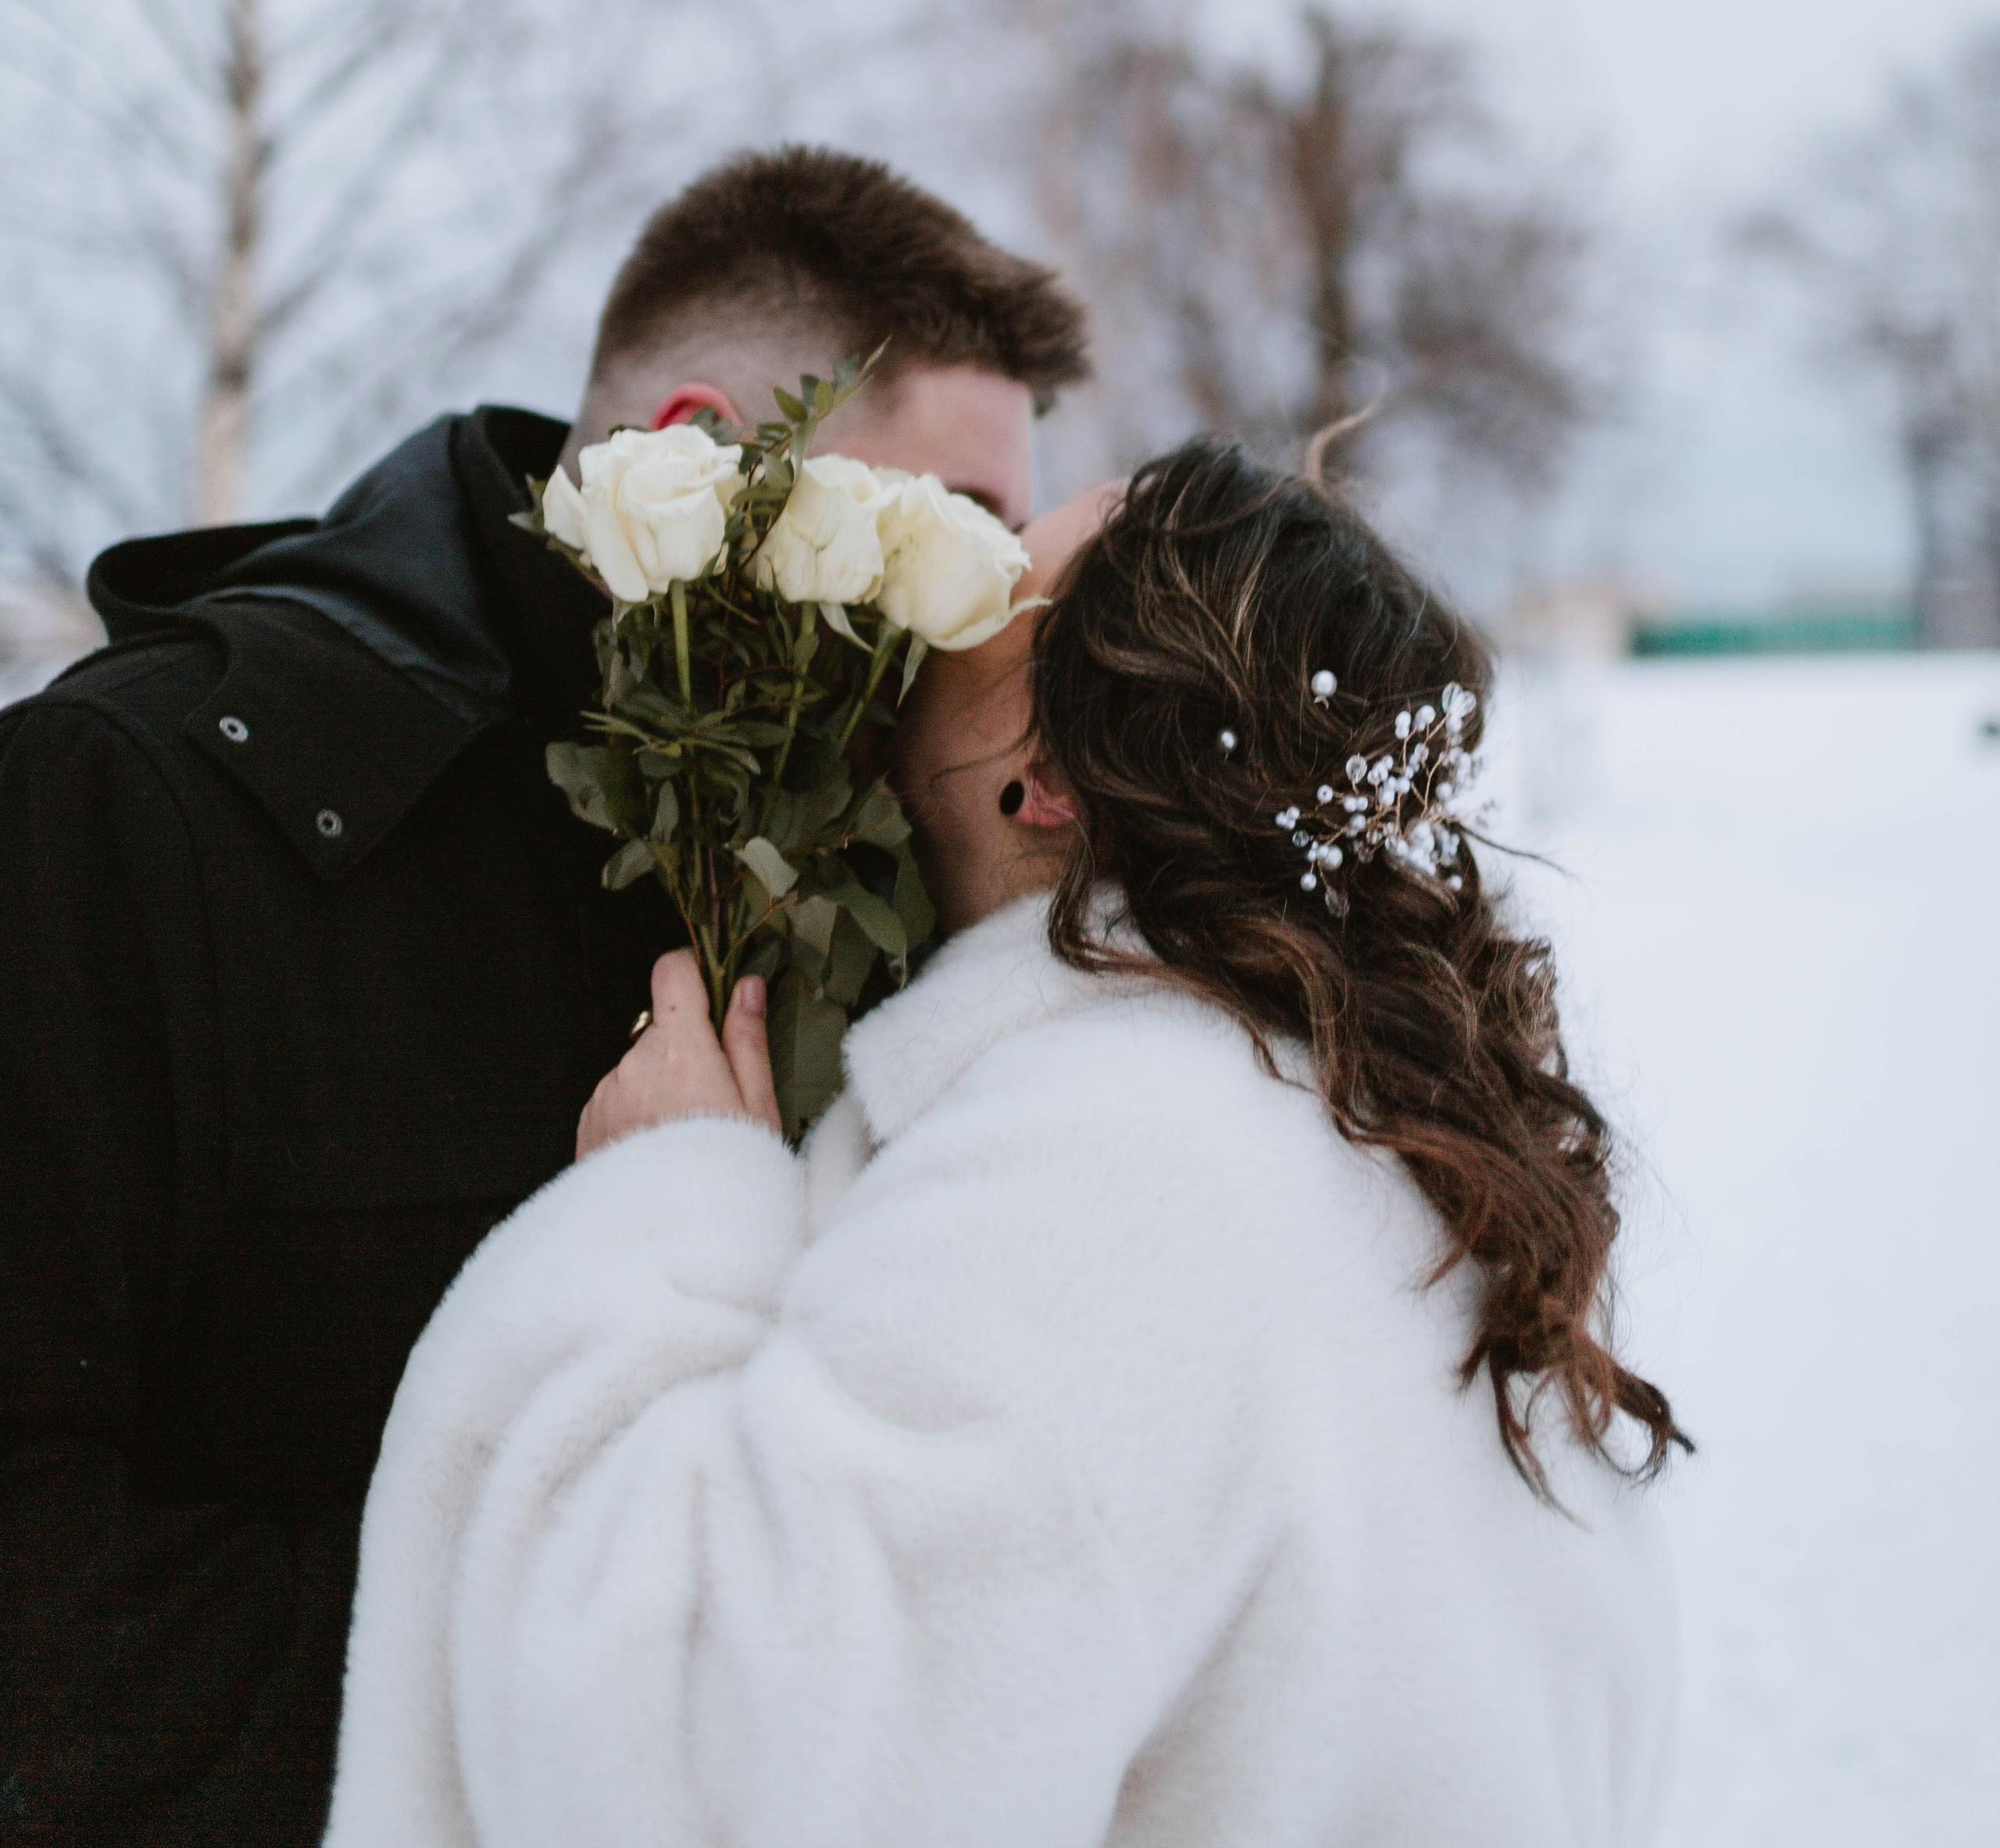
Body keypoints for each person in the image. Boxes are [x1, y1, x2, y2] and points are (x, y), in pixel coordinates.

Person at [323, 441, 1684, 1848]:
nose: (929, 613)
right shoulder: (1385, 1145)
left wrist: (665, 1213)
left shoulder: (1113, 1174)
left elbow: (727, 1775)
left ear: (1043, 778)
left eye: (1002, 572)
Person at [0, 146, 1088, 1848]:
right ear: (694, 451)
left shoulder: (889, 870)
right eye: (948, 527)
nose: (981, 614)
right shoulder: (133, 813)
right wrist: (531, 1730)